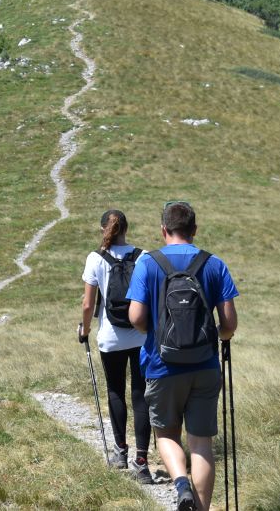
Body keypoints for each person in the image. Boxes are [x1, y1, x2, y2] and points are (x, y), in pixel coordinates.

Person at [127, 201, 238, 511]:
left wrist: (157, 330)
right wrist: (218, 336)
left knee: (165, 434)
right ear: (194, 230)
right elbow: (229, 325)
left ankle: (181, 484)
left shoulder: (148, 263)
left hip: (162, 365)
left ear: (164, 230)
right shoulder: (214, 264)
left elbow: (136, 317)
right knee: (202, 442)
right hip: (204, 366)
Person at [80, 209, 159, 483]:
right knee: (141, 395)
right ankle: (141, 461)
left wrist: (84, 329)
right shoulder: (144, 256)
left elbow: (89, 304)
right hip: (141, 335)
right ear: (127, 228)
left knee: (115, 391)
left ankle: (120, 452)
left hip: (110, 338)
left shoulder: (95, 258)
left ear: (103, 229)